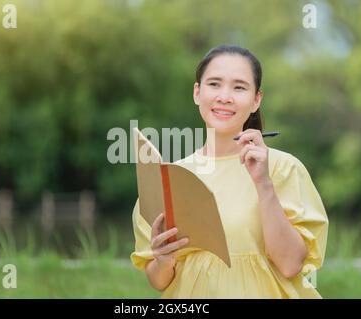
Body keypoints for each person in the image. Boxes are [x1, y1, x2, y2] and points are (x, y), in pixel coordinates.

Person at [130, 44, 329, 298]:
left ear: (256, 100)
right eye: (214, 84)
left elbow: (290, 264)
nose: (225, 96)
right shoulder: (169, 178)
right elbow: (159, 281)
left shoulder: (283, 168)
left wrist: (263, 183)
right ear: (197, 93)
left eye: (239, 87)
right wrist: (163, 259)